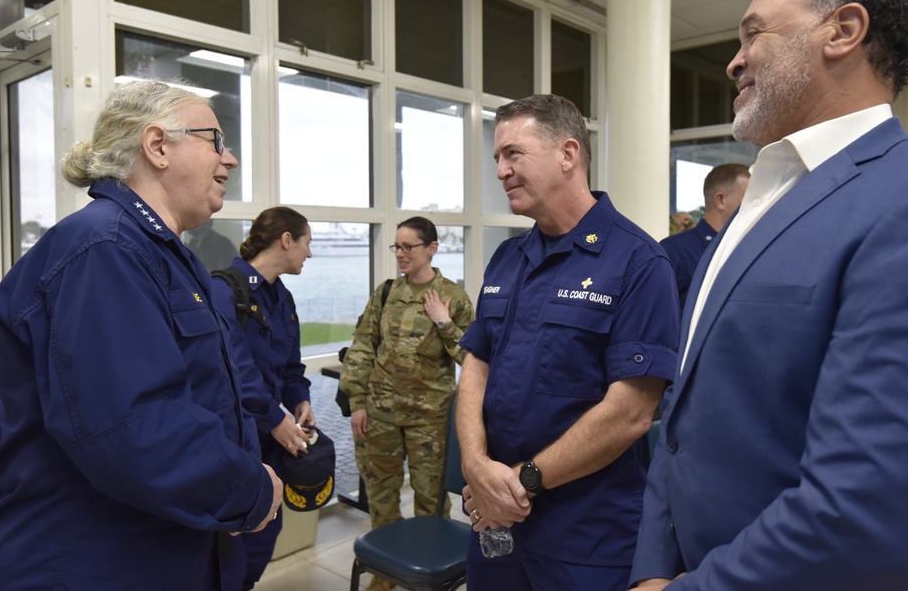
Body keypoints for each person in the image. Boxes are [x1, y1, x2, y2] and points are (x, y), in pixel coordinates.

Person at [631, 0, 908, 591]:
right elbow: (681, 423)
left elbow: (875, 507)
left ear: (843, 31)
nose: (733, 60)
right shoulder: (757, 206)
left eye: (753, 34)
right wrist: (650, 570)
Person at [0, 80, 282, 589]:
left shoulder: (165, 255)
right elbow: (133, 428)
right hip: (95, 559)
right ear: (157, 147)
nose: (230, 158)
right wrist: (251, 490)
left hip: (160, 545)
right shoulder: (102, 249)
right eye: (214, 140)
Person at [458, 94, 680, 590]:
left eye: (513, 153)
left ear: (567, 153)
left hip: (585, 535)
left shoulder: (639, 263)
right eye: (497, 158)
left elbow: (631, 412)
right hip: (496, 521)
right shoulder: (507, 258)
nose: (501, 170)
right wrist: (475, 465)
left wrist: (521, 482)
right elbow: (476, 365)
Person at [340, 216, 473, 591]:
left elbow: (472, 358)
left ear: (431, 248)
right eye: (396, 247)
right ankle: (385, 573)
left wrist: (444, 323)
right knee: (381, 494)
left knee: (430, 503)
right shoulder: (385, 293)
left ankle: (429, 571)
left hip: (429, 419)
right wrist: (358, 400)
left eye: (408, 247)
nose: (400, 254)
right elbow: (363, 347)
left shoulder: (454, 298)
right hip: (379, 414)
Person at [211, 206, 316, 590]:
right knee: (232, 543)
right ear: (286, 240)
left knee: (266, 528)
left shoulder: (281, 298)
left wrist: (300, 400)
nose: (309, 253)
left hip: (271, 440)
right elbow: (236, 370)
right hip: (236, 439)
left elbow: (290, 366)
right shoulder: (224, 292)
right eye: (306, 243)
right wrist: (276, 420)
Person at [660, 163, 750, 309]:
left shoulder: (746, 248)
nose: (756, 205)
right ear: (720, 200)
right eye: (749, 198)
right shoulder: (674, 250)